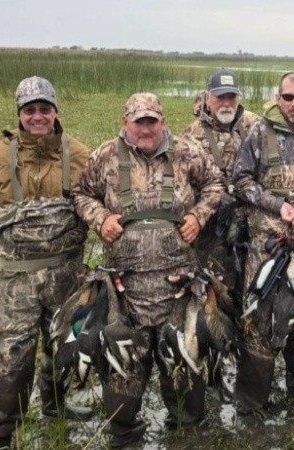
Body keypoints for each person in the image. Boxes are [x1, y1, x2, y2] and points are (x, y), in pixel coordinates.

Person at [73, 92, 223, 448]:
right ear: (125, 122)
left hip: (179, 287)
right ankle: (124, 434)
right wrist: (101, 217)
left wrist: (197, 217)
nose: (145, 128)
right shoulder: (106, 156)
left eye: (151, 121)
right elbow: (80, 193)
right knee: (124, 376)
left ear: (163, 122)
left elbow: (216, 185)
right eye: (138, 121)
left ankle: (185, 432)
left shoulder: (187, 152)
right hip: (126, 291)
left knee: (184, 371)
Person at [0, 76, 93, 448]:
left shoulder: (81, 154)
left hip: (67, 274)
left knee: (65, 346)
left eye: (44, 108)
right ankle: (0, 434)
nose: (37, 116)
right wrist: (11, 254)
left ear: (55, 111)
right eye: (29, 110)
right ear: (19, 114)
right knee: (12, 362)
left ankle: (56, 405)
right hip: (16, 281)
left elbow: (94, 208)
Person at [231, 71, 294, 422]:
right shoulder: (258, 132)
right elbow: (240, 180)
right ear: (278, 97)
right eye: (288, 97)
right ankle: (252, 402)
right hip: (266, 247)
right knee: (258, 321)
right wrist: (276, 204)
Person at [182, 68, 260, 306]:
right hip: (211, 229)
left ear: (239, 98)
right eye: (220, 97)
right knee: (215, 289)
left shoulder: (255, 126)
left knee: (253, 286)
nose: (226, 103)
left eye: (231, 97)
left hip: (251, 221)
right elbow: (182, 187)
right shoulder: (190, 136)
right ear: (207, 98)